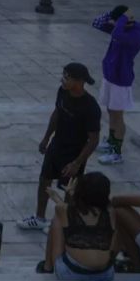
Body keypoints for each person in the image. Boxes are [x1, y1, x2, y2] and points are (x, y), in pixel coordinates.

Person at [18, 63, 100, 230]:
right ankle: (39, 218)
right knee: (44, 180)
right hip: (57, 145)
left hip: (74, 152)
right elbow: (57, 113)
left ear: (79, 81)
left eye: (67, 77)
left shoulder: (90, 107)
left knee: (68, 190)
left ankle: (63, 225)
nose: (62, 79)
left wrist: (77, 163)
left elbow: (93, 139)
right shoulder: (62, 92)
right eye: (63, 75)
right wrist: (46, 138)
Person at [92, 6, 140, 166]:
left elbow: (116, 33)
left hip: (121, 80)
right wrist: (114, 14)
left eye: (116, 22)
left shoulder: (136, 34)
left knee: (117, 115)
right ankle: (111, 141)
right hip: (110, 76)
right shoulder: (121, 27)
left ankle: (116, 153)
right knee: (110, 111)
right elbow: (97, 23)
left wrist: (122, 19)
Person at [36, 172, 115, 280]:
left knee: (57, 219)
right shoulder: (110, 212)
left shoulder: (65, 210)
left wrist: (57, 196)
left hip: (72, 273)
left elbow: (64, 208)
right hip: (105, 274)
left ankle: (48, 266)